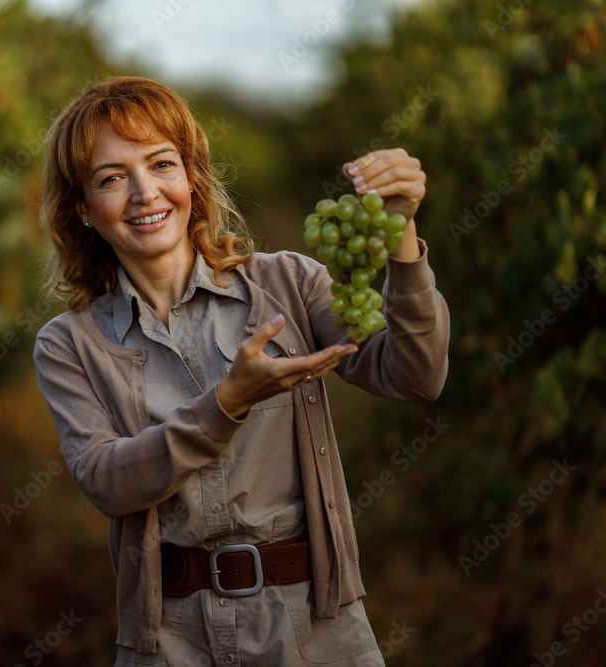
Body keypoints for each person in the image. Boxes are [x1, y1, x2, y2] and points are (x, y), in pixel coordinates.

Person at [32, 76, 449, 666]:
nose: (144, 194)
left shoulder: (288, 284)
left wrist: (403, 232)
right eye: (112, 178)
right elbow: (107, 480)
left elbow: (414, 376)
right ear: (82, 208)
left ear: (192, 178)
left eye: (161, 164)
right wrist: (225, 404)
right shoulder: (70, 344)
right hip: (170, 641)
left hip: (313, 625)